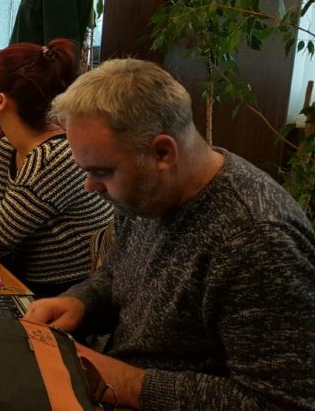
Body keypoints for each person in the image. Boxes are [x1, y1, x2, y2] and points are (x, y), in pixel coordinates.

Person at [26, 59, 315, 409]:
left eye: (102, 171)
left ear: (162, 152)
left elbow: (279, 402)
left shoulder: (257, 239)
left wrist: (121, 380)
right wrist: (81, 302)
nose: (90, 186)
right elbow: (119, 275)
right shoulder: (148, 193)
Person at [0, 40, 113, 298]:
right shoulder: (8, 146)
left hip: (65, 296)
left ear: (1, 100)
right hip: (22, 282)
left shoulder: (54, 159)